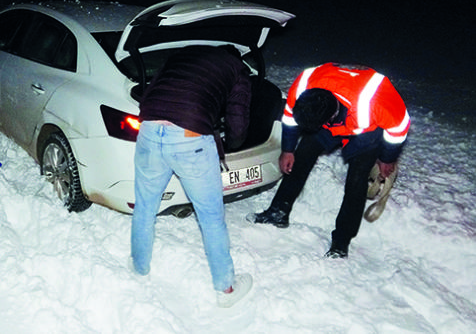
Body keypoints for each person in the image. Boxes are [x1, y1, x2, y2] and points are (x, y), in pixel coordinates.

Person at [130, 45, 253, 308]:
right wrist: (232, 143)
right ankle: (227, 289)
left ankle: (139, 268)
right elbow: (237, 118)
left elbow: (149, 93)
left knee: (145, 206)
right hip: (190, 138)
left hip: (149, 129)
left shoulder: (182, 54)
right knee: (210, 218)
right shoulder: (237, 69)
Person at [248, 63, 410, 258]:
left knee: (356, 183)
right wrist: (288, 149)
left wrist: (387, 158)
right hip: (329, 116)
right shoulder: (303, 88)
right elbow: (290, 120)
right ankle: (277, 213)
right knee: (301, 156)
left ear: (329, 117)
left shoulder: (375, 102)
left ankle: (341, 242)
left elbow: (399, 129)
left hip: (366, 131)